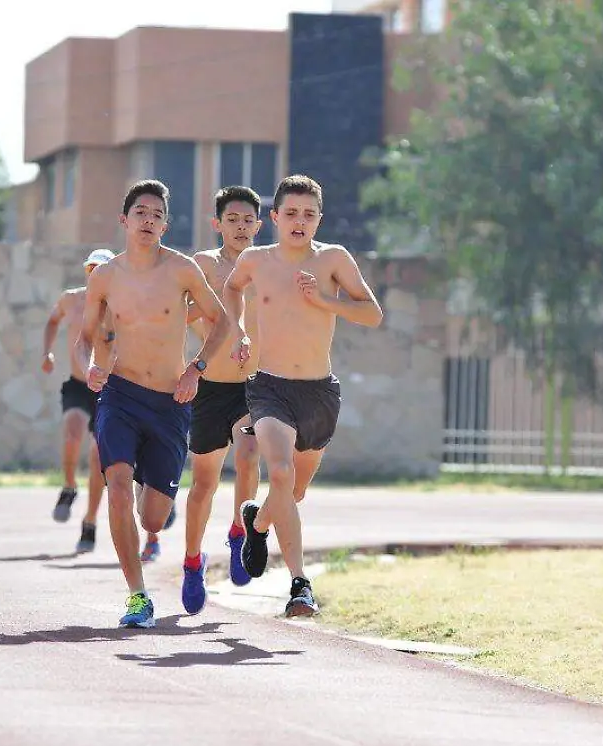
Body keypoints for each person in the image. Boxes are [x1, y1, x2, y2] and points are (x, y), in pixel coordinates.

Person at [223, 174, 383, 618]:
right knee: (279, 474)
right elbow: (232, 288)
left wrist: (326, 302)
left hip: (318, 392)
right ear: (273, 217)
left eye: (308, 214)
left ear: (319, 220)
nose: (299, 221)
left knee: (293, 493)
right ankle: (299, 584)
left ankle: (257, 524)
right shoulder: (255, 260)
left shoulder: (333, 259)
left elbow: (372, 313)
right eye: (290, 213)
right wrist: (237, 327)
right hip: (269, 386)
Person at [75, 178, 232, 629]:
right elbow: (85, 340)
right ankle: (138, 596)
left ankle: (156, 487)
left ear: (166, 225)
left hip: (170, 401)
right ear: (124, 220)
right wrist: (88, 366)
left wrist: (195, 368)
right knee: (117, 487)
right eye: (141, 212)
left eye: (157, 215)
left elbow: (220, 321)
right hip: (120, 395)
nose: (149, 220)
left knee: (154, 519)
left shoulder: (182, 270)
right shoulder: (105, 277)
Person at [178, 185, 264, 615]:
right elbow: (182, 313)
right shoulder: (203, 265)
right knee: (205, 483)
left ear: (259, 225)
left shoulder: (265, 266)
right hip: (211, 385)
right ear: (218, 224)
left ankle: (238, 535)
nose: (241, 226)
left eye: (248, 220)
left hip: (253, 385)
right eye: (232, 220)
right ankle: (193, 562)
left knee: (249, 453)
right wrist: (215, 317)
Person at [42, 248, 114, 553]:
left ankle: (90, 521)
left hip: (108, 389)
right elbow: (52, 321)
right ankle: (69, 486)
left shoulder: (120, 305)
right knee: (72, 433)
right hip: (77, 382)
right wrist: (47, 352)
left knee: (99, 458)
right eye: (91, 268)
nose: (95, 273)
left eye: (102, 269)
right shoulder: (71, 299)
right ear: (86, 271)